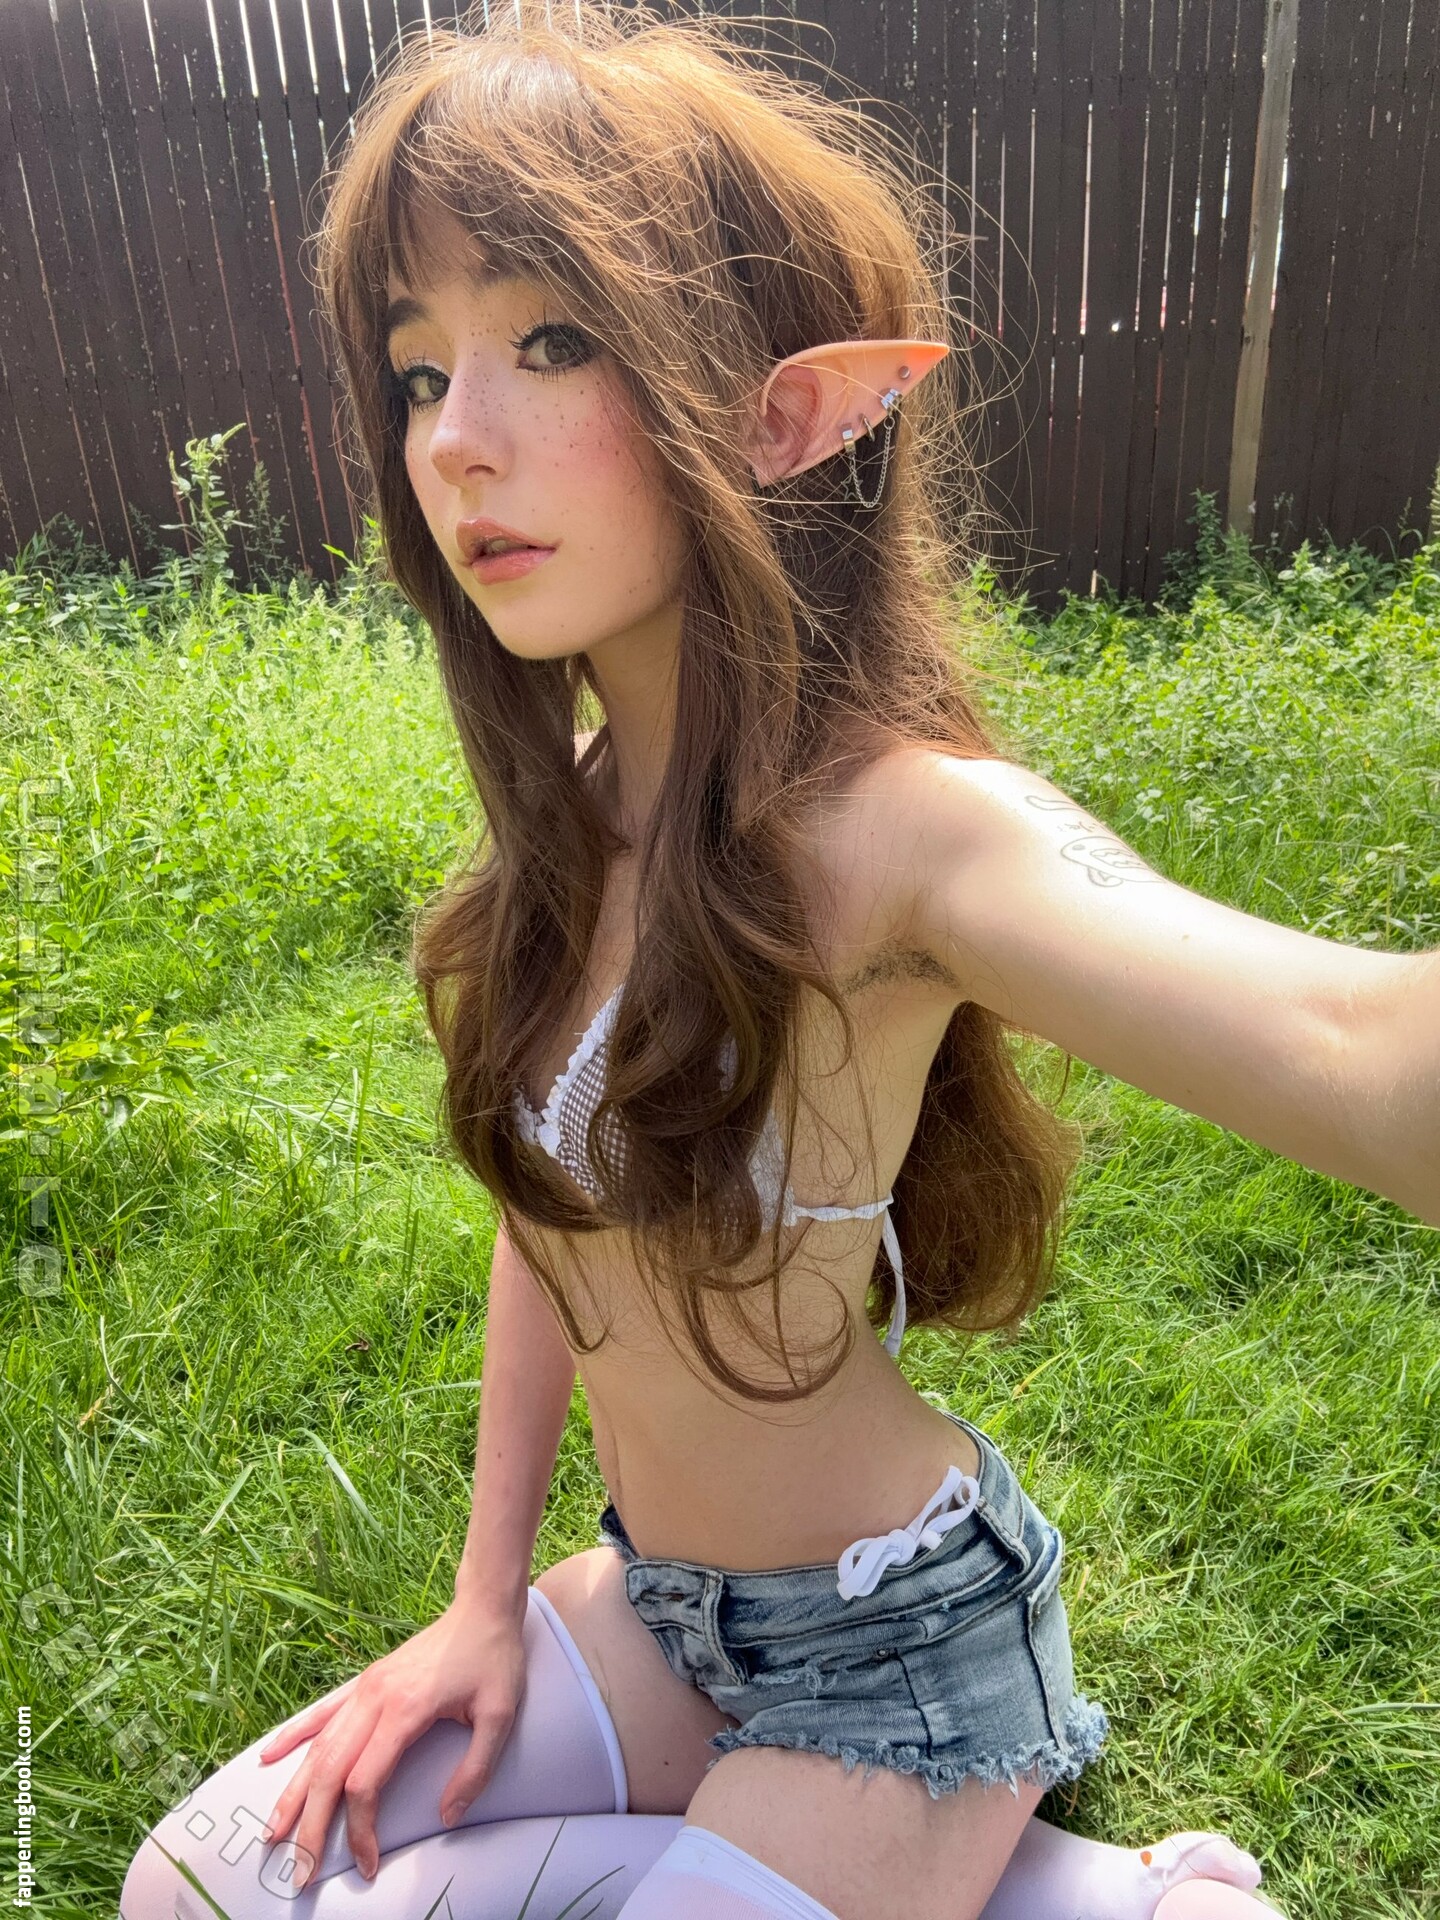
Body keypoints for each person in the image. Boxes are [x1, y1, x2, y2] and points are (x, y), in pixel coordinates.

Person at [120, 4, 1436, 1916]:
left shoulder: (912, 832)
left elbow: (1352, 1040)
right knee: (195, 1883)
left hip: (900, 1656)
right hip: (663, 1611)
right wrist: (483, 1599)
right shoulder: (583, 807)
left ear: (782, 409)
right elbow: (553, 1221)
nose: (455, 440)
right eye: (418, 369)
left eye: (550, 340)